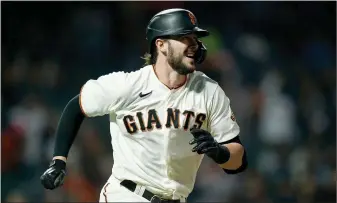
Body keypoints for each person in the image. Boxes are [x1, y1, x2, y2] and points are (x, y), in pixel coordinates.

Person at [40, 8, 248, 203]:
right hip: (126, 195)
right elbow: (76, 107)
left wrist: (220, 152)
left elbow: (237, 161)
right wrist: (59, 161)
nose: (194, 45)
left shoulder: (210, 91)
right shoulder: (128, 85)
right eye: (185, 38)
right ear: (161, 45)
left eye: (195, 39)